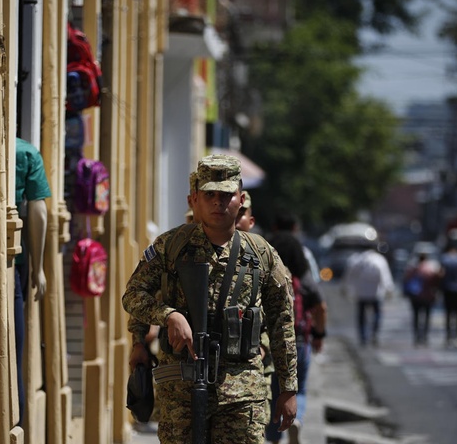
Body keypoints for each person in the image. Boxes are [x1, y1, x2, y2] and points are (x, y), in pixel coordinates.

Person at [122, 155, 298, 443]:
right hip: (181, 391)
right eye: (210, 194)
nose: (218, 202)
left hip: (242, 393)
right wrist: (169, 315)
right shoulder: (171, 245)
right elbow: (133, 295)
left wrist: (288, 388)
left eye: (226, 195)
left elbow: (282, 321)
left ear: (240, 199)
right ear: (195, 199)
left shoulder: (261, 253)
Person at [265, 212, 327, 444]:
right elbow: (321, 306)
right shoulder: (303, 278)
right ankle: (296, 418)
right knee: (298, 388)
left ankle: (273, 438)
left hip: (270, 340)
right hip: (300, 340)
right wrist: (319, 334)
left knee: (273, 392)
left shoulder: (266, 266)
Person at [14, 137, 51, 426]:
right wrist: (38, 267)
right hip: (15, 264)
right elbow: (38, 208)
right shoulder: (26, 151)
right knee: (15, 350)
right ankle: (20, 425)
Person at [343, 239, 394, 347]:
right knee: (376, 314)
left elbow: (349, 276)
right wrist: (389, 289)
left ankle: (363, 337)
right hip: (375, 293)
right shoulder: (379, 260)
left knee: (361, 316)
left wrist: (346, 289)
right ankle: (374, 333)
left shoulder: (357, 260)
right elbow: (385, 277)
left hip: (361, 293)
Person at [403, 253, 439, 347]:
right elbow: (435, 282)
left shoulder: (413, 269)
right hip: (428, 297)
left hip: (415, 297)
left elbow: (406, 280)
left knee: (416, 317)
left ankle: (416, 337)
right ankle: (425, 337)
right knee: (427, 317)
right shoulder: (430, 269)